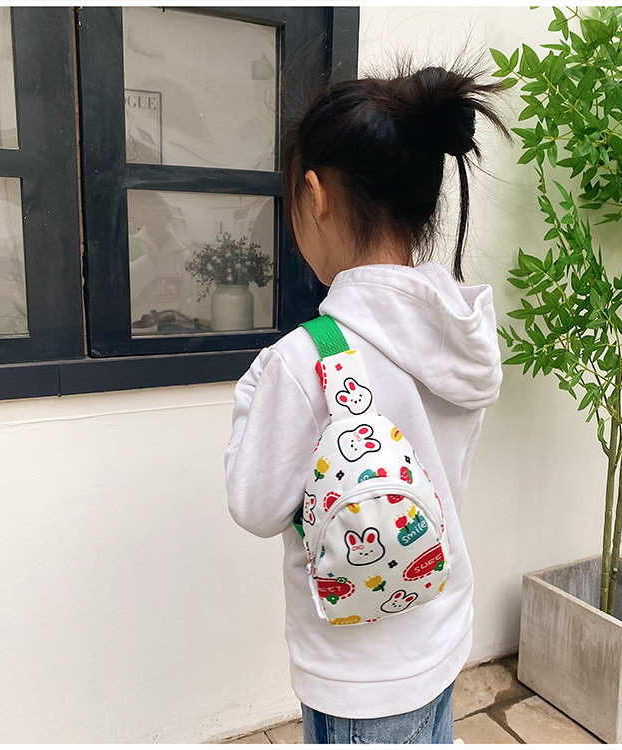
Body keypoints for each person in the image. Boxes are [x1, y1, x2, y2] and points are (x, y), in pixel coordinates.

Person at [224, 59, 510, 744]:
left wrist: (255, 394)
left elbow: (255, 504)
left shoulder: (305, 358)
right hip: (439, 631)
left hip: (356, 673)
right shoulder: (460, 334)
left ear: (315, 194)